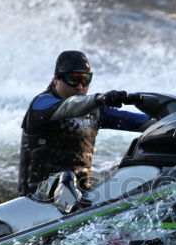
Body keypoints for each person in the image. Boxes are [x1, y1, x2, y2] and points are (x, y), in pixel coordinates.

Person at [18, 50, 153, 197]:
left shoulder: (97, 111)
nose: (80, 86)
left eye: (85, 79)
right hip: (36, 198)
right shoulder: (41, 105)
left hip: (79, 201)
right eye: (73, 79)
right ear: (56, 79)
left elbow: (145, 123)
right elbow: (70, 106)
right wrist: (101, 98)